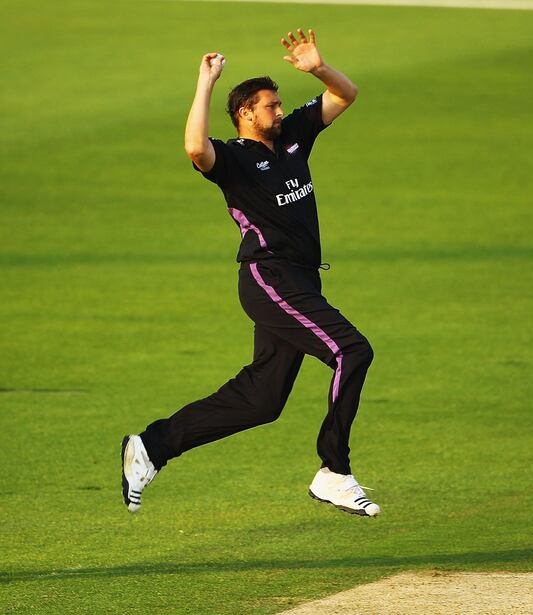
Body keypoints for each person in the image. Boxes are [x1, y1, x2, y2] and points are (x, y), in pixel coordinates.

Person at [120, 28, 380, 517]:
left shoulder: (294, 138)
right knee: (352, 350)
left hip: (302, 279)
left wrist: (319, 68)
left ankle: (151, 446)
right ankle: (334, 471)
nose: (280, 113)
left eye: (280, 105)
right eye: (270, 107)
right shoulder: (234, 159)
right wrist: (205, 82)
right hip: (269, 278)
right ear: (245, 113)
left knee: (262, 400)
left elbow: (345, 94)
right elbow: (195, 149)